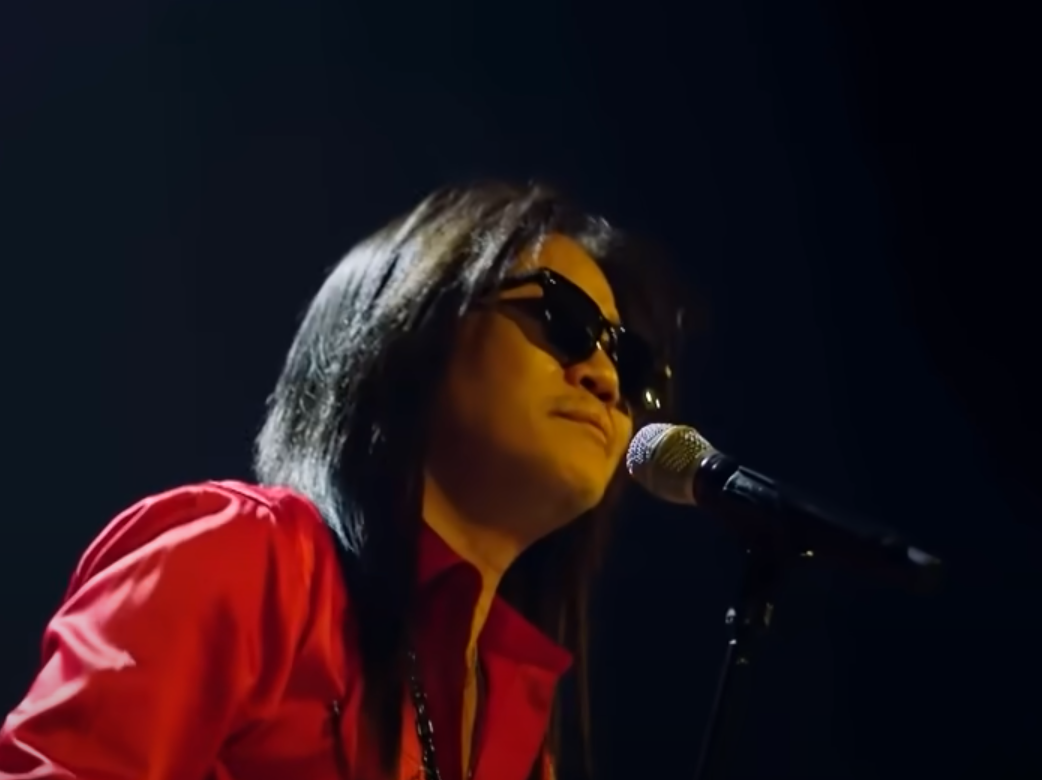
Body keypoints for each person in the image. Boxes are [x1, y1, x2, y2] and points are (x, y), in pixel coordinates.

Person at [0, 181, 686, 780]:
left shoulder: (519, 726)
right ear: (411, 318)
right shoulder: (245, 558)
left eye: (627, 361)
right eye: (565, 320)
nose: (605, 378)